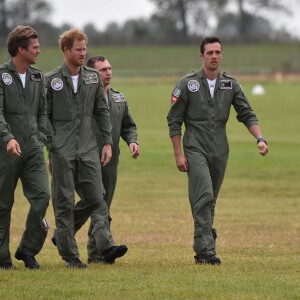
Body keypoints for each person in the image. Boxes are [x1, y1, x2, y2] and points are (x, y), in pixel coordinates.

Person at [167, 36, 269, 265]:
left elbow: (247, 113)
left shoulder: (230, 84)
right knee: (203, 195)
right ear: (201, 55)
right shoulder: (187, 84)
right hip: (195, 147)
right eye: (210, 52)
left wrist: (259, 138)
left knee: (210, 199)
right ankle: (204, 251)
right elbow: (174, 120)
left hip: (221, 150)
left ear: (222, 55)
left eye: (218, 52)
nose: (214, 56)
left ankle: (206, 236)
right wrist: (178, 153)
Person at [45, 29, 113, 268]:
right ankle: (70, 255)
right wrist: (52, 145)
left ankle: (61, 234)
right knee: (63, 201)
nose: (83, 53)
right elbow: (43, 115)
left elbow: (101, 111)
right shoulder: (51, 79)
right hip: (61, 150)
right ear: (66, 50)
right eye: (78, 49)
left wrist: (106, 142)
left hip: (88, 148)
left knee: (96, 196)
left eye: (85, 49)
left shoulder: (93, 78)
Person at [0, 25, 50, 270]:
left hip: (33, 149)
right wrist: (7, 137)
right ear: (20, 49)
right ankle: (2, 258)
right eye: (35, 47)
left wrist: (42, 138)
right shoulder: (1, 75)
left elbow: (42, 112)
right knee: (2, 204)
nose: (39, 50)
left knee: (42, 196)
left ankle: (27, 249)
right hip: (4, 150)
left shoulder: (37, 77)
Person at [84, 56, 139, 264]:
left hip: (111, 160)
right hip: (88, 157)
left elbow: (129, 125)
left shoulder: (118, 98)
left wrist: (132, 141)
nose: (108, 73)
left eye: (109, 69)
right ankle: (105, 248)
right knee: (98, 203)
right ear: (91, 74)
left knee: (103, 204)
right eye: (102, 70)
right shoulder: (84, 99)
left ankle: (95, 253)